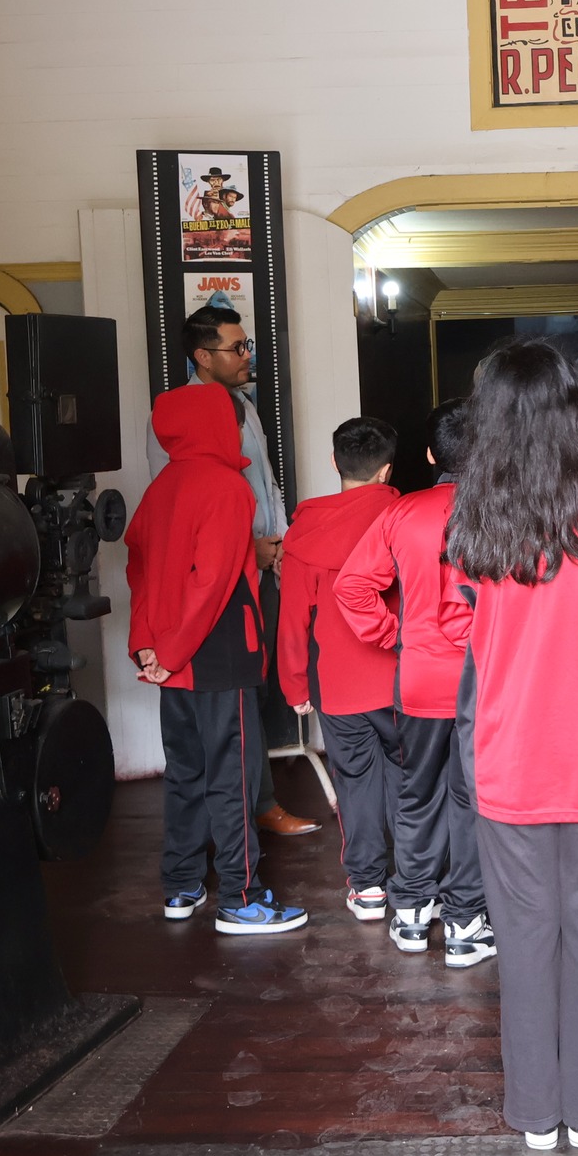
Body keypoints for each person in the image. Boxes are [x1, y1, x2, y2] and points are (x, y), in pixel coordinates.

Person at [437, 339, 578, 1152]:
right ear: (575, 407)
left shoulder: (470, 512)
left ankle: (535, 1110)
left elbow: (457, 622)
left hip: (505, 749)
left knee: (525, 940)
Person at [125, 383, 306, 936]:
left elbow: (140, 573)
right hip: (219, 654)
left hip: (170, 659)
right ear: (212, 425)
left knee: (186, 773)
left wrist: (150, 647)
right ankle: (242, 897)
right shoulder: (228, 488)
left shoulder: (161, 488)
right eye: (230, 421)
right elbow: (213, 584)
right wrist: (176, 649)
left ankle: (181, 886)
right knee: (234, 778)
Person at [335, 399, 495, 968]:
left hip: (421, 677)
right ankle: (466, 923)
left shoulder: (402, 513)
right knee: (474, 799)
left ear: (430, 455)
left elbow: (351, 587)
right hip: (489, 681)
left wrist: (392, 635)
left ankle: (409, 914)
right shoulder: (503, 511)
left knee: (418, 793)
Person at [177, 304, 317, 838]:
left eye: (247, 345)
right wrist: (244, 552)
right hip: (228, 576)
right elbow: (185, 506)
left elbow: (266, 485)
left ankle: (258, 804)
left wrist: (282, 544)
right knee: (230, 697)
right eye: (236, 348)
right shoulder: (179, 413)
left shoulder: (243, 404)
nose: (246, 355)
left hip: (269, 565)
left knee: (258, 689)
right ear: (202, 356)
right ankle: (248, 810)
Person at [277, 418, 404, 922]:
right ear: (387, 469)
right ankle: (418, 882)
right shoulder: (402, 515)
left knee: (355, 781)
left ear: (335, 463)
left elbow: (292, 621)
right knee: (409, 780)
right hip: (400, 676)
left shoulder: (305, 531)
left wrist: (294, 683)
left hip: (338, 683)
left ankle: (368, 887)